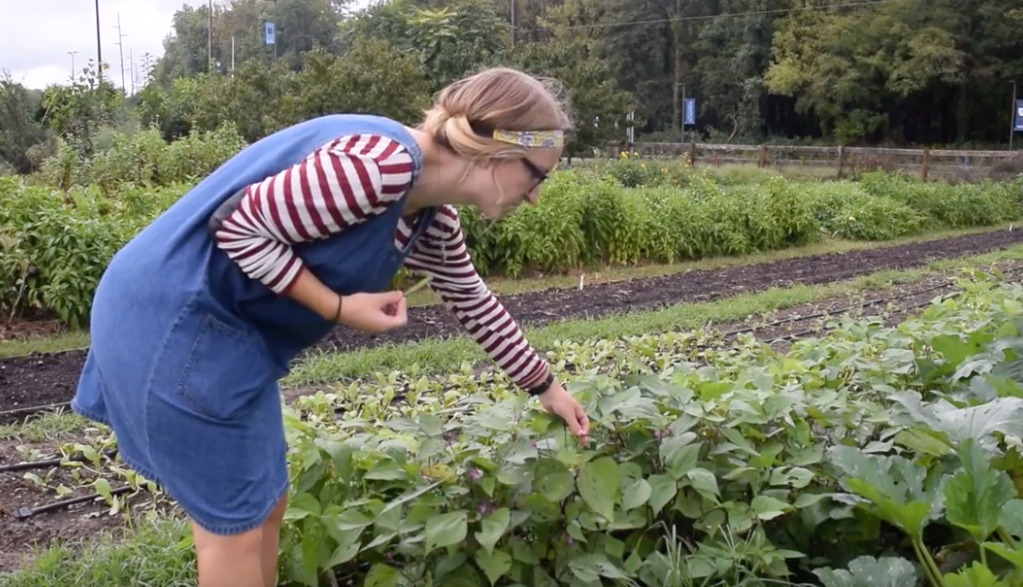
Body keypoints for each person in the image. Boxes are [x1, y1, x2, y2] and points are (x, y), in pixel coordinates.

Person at [70, 67, 591, 587]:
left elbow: (473, 300)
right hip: (174, 321)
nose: (533, 197)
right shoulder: (382, 166)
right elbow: (238, 224)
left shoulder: (431, 214)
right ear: (497, 151)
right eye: (537, 176)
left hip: (226, 338)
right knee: (235, 526)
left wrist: (547, 388)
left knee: (265, 504)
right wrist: (338, 306)